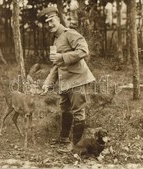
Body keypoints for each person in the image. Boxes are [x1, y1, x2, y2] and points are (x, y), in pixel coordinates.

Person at [37, 6, 95, 152]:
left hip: (77, 79)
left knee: (78, 111)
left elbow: (83, 51)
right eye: (47, 23)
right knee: (65, 109)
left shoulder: (70, 33)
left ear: (58, 19)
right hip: (66, 81)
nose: (50, 25)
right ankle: (64, 139)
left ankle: (76, 146)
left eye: (51, 21)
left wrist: (62, 56)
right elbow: (57, 66)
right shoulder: (56, 40)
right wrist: (47, 84)